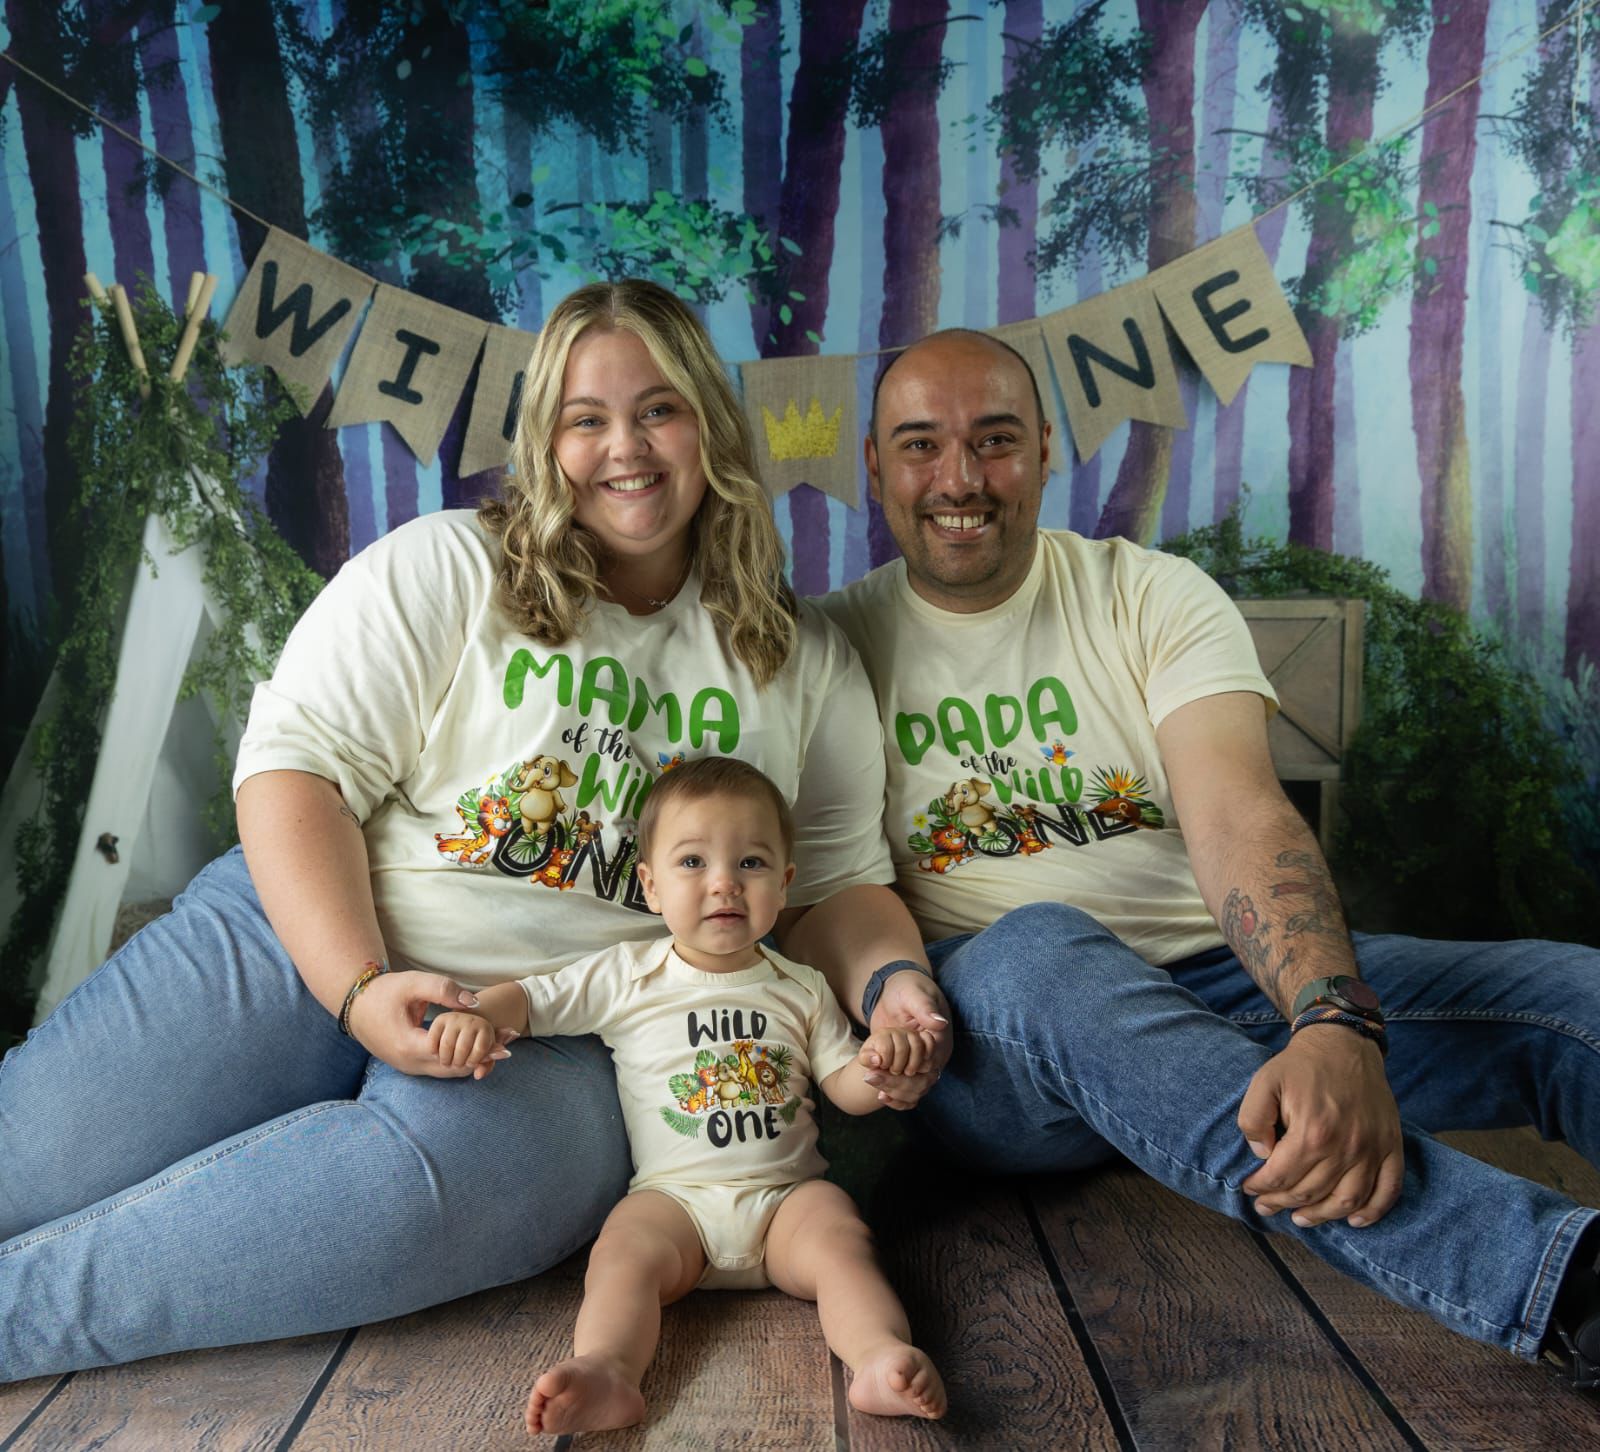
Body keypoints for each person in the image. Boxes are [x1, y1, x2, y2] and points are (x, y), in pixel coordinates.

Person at [0, 280, 946, 1380]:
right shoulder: (449, 566)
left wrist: (896, 990)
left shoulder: (800, 659)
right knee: (40, 1156)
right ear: (546, 440)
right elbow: (294, 770)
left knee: (435, 1206)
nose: (624, 448)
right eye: (585, 418)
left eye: (659, 409)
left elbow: (835, 888)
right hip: (303, 927)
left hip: (562, 1037)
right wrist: (356, 987)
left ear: (712, 427)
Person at [813, 326, 1600, 1387]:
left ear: (1046, 448)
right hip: (993, 1039)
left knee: (1567, 995)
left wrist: (1328, 1018)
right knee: (1040, 945)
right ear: (873, 463)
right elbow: (827, 886)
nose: (959, 479)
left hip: (1220, 989)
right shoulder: (827, 648)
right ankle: (1565, 1285)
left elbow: (1241, 815)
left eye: (994, 440)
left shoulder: (1150, 595)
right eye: (919, 445)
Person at [430, 757, 947, 1434]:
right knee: (622, 1250)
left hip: (784, 1202)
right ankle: (609, 1367)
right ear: (649, 885)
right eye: (693, 862)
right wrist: (477, 1014)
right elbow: (532, 999)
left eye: (753, 864)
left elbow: (844, 1089)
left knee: (841, 1237)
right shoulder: (629, 974)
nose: (725, 883)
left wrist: (881, 1069)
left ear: (785, 884)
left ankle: (877, 1358)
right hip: (674, 1203)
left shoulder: (802, 987)